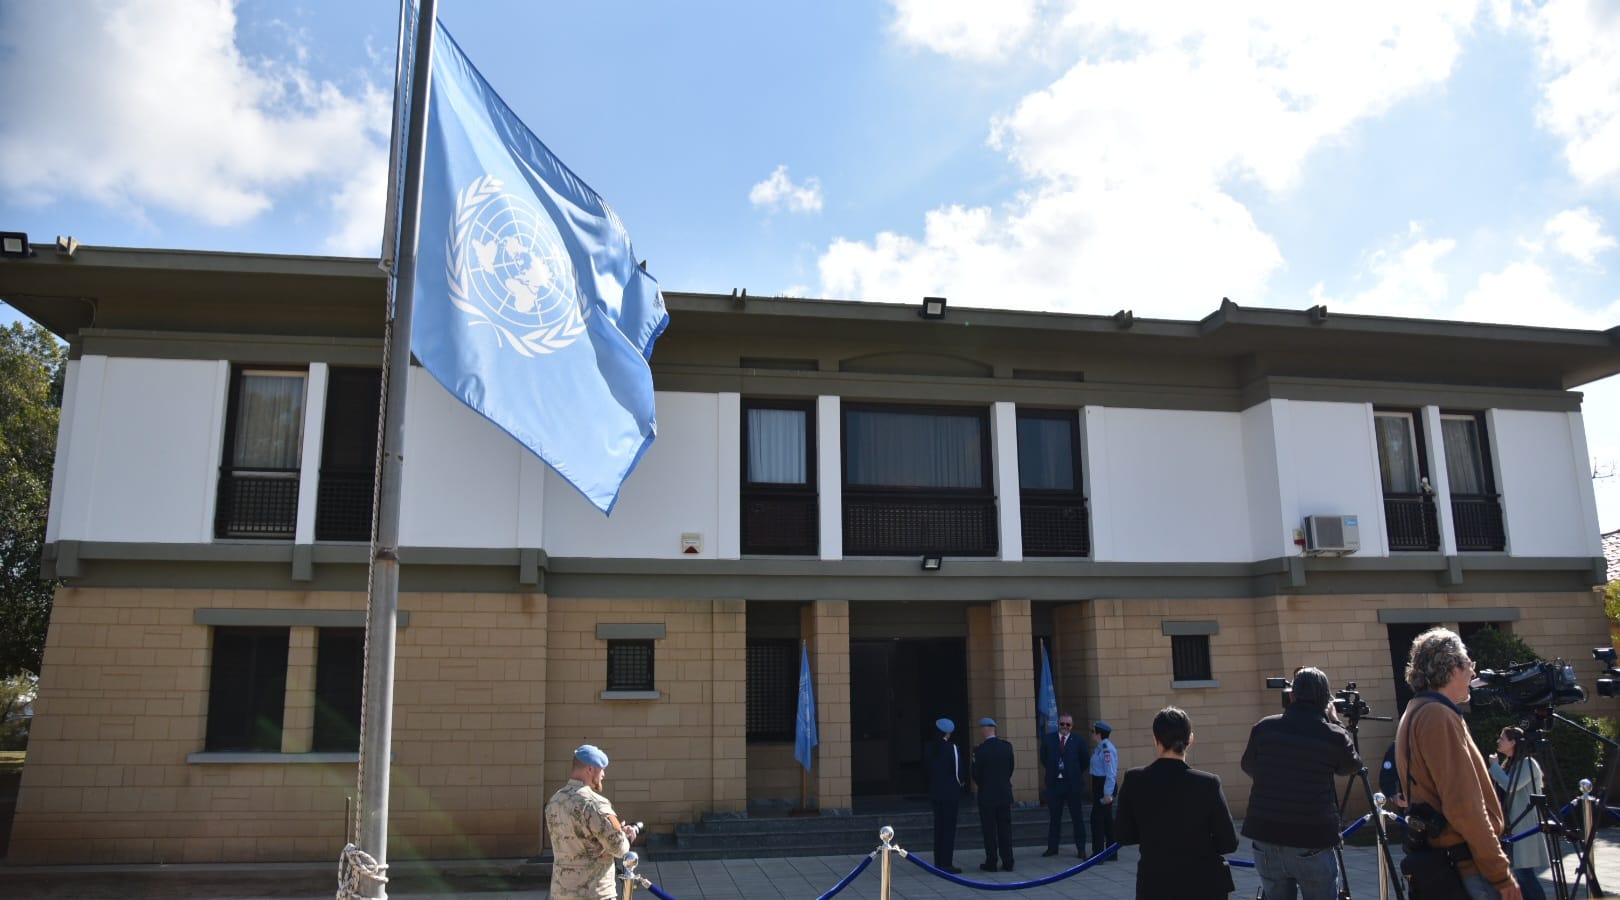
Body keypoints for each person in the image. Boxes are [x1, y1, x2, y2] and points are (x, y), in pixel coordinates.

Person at [1394, 627, 1521, 900]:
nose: (1473, 672)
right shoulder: (1437, 715)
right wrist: (1499, 871)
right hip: (1466, 868)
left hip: (1450, 861)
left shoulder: (1418, 709)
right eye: (1469, 664)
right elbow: (1464, 805)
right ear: (1452, 667)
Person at [1240, 666, 1362, 900]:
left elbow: (1249, 766)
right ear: (1326, 700)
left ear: (1292, 696)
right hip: (1312, 837)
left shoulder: (1264, 728)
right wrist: (1336, 723)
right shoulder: (1332, 735)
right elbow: (1352, 766)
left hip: (1265, 834)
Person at [1116, 706, 1240, 900]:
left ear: (1155, 739)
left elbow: (1123, 835)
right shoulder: (1208, 783)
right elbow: (1229, 842)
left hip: (1155, 885)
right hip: (1203, 884)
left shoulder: (1134, 780)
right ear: (1190, 739)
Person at [544, 744, 640, 900]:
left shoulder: (554, 801)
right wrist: (626, 835)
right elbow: (619, 848)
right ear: (589, 769)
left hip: (560, 893)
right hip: (594, 893)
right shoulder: (595, 804)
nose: (603, 775)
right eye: (601, 770)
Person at [1488, 726, 1549, 900]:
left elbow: (1510, 786)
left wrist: (1494, 767)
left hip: (1524, 824)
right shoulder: (1511, 764)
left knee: (1523, 872)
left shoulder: (1528, 764)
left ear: (1513, 742)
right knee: (1519, 873)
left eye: (1502, 738)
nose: (1498, 741)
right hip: (1511, 825)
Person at [972, 716, 1015, 872]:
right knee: (1005, 829)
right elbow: (1010, 768)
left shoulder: (980, 750)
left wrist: (984, 785)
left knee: (989, 830)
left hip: (987, 795)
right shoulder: (1006, 747)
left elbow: (975, 774)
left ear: (985, 730)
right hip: (1004, 794)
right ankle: (1008, 861)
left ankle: (991, 862)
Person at [1041, 713, 1087, 858]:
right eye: (1062, 724)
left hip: (1073, 785)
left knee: (1077, 818)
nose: (1065, 727)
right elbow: (1044, 758)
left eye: (1068, 724)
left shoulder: (1079, 741)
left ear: (1072, 726)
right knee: (1055, 818)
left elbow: (1084, 761)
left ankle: (1081, 848)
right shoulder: (1048, 739)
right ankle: (1052, 847)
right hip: (1055, 785)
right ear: (1058, 724)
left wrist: (1073, 772)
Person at [926, 717, 967, 874]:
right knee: (949, 828)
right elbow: (958, 771)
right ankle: (947, 863)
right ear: (948, 733)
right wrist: (961, 783)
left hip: (935, 792)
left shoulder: (930, 748)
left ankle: (938, 861)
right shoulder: (952, 748)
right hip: (950, 793)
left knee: (939, 827)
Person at [1089, 720, 1119, 859]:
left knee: (1097, 819)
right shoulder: (1101, 747)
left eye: (1093, 732)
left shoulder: (1107, 749)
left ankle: (1098, 854)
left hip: (1104, 786)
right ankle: (1111, 853)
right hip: (1099, 785)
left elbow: (1110, 773)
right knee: (1106, 820)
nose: (1092, 734)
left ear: (1099, 734)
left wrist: (1107, 793)